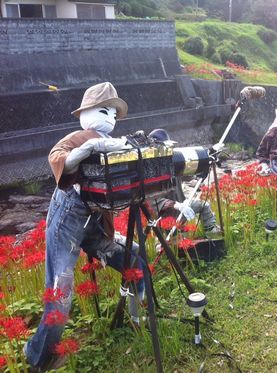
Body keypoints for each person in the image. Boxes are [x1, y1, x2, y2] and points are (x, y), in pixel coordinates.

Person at [25, 82, 146, 370]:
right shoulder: (79, 137)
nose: (111, 119)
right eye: (106, 112)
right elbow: (57, 157)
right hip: (67, 216)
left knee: (135, 257)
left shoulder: (113, 142)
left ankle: (134, 316)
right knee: (61, 293)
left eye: (115, 114)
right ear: (87, 112)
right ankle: (38, 355)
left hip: (95, 221)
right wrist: (87, 148)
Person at [147, 129, 220, 234]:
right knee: (179, 242)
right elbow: (152, 200)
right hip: (166, 217)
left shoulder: (172, 164)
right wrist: (176, 205)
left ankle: (210, 230)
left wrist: (209, 154)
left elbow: (189, 171)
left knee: (203, 205)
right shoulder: (150, 173)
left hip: (183, 207)